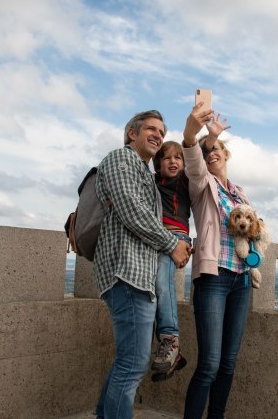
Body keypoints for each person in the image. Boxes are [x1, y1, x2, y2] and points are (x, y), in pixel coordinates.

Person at [92, 110, 191, 419]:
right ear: (132, 133)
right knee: (133, 364)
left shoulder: (144, 171)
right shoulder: (121, 159)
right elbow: (131, 210)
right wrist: (172, 244)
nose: (158, 135)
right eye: (151, 129)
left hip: (138, 276)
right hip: (127, 274)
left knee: (127, 361)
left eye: (161, 132)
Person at [181, 103, 254, 418]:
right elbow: (192, 154)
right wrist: (203, 136)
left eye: (217, 149)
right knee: (209, 364)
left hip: (242, 279)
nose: (211, 153)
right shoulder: (201, 184)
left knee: (228, 363)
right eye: (207, 150)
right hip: (214, 278)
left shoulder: (239, 192)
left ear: (227, 155)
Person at [150, 129, 223, 381]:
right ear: (158, 163)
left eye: (177, 157)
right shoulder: (151, 182)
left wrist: (211, 138)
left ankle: (170, 339)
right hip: (154, 238)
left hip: (177, 237)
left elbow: (197, 155)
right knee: (150, 290)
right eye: (167, 158)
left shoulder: (185, 180)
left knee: (163, 283)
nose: (173, 162)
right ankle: (171, 354)